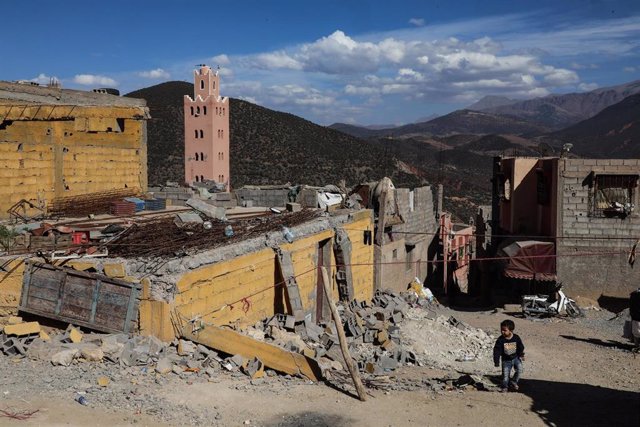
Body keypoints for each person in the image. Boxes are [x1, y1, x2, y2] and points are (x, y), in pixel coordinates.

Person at [493, 319, 525, 392]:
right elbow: (496, 351)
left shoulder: (516, 338)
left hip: (516, 358)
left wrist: (521, 355)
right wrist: (496, 361)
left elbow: (521, 347)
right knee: (505, 376)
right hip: (506, 360)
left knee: (520, 370)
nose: (502, 332)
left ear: (511, 330)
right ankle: (504, 387)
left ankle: (514, 381)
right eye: (501, 330)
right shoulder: (500, 340)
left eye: (504, 330)